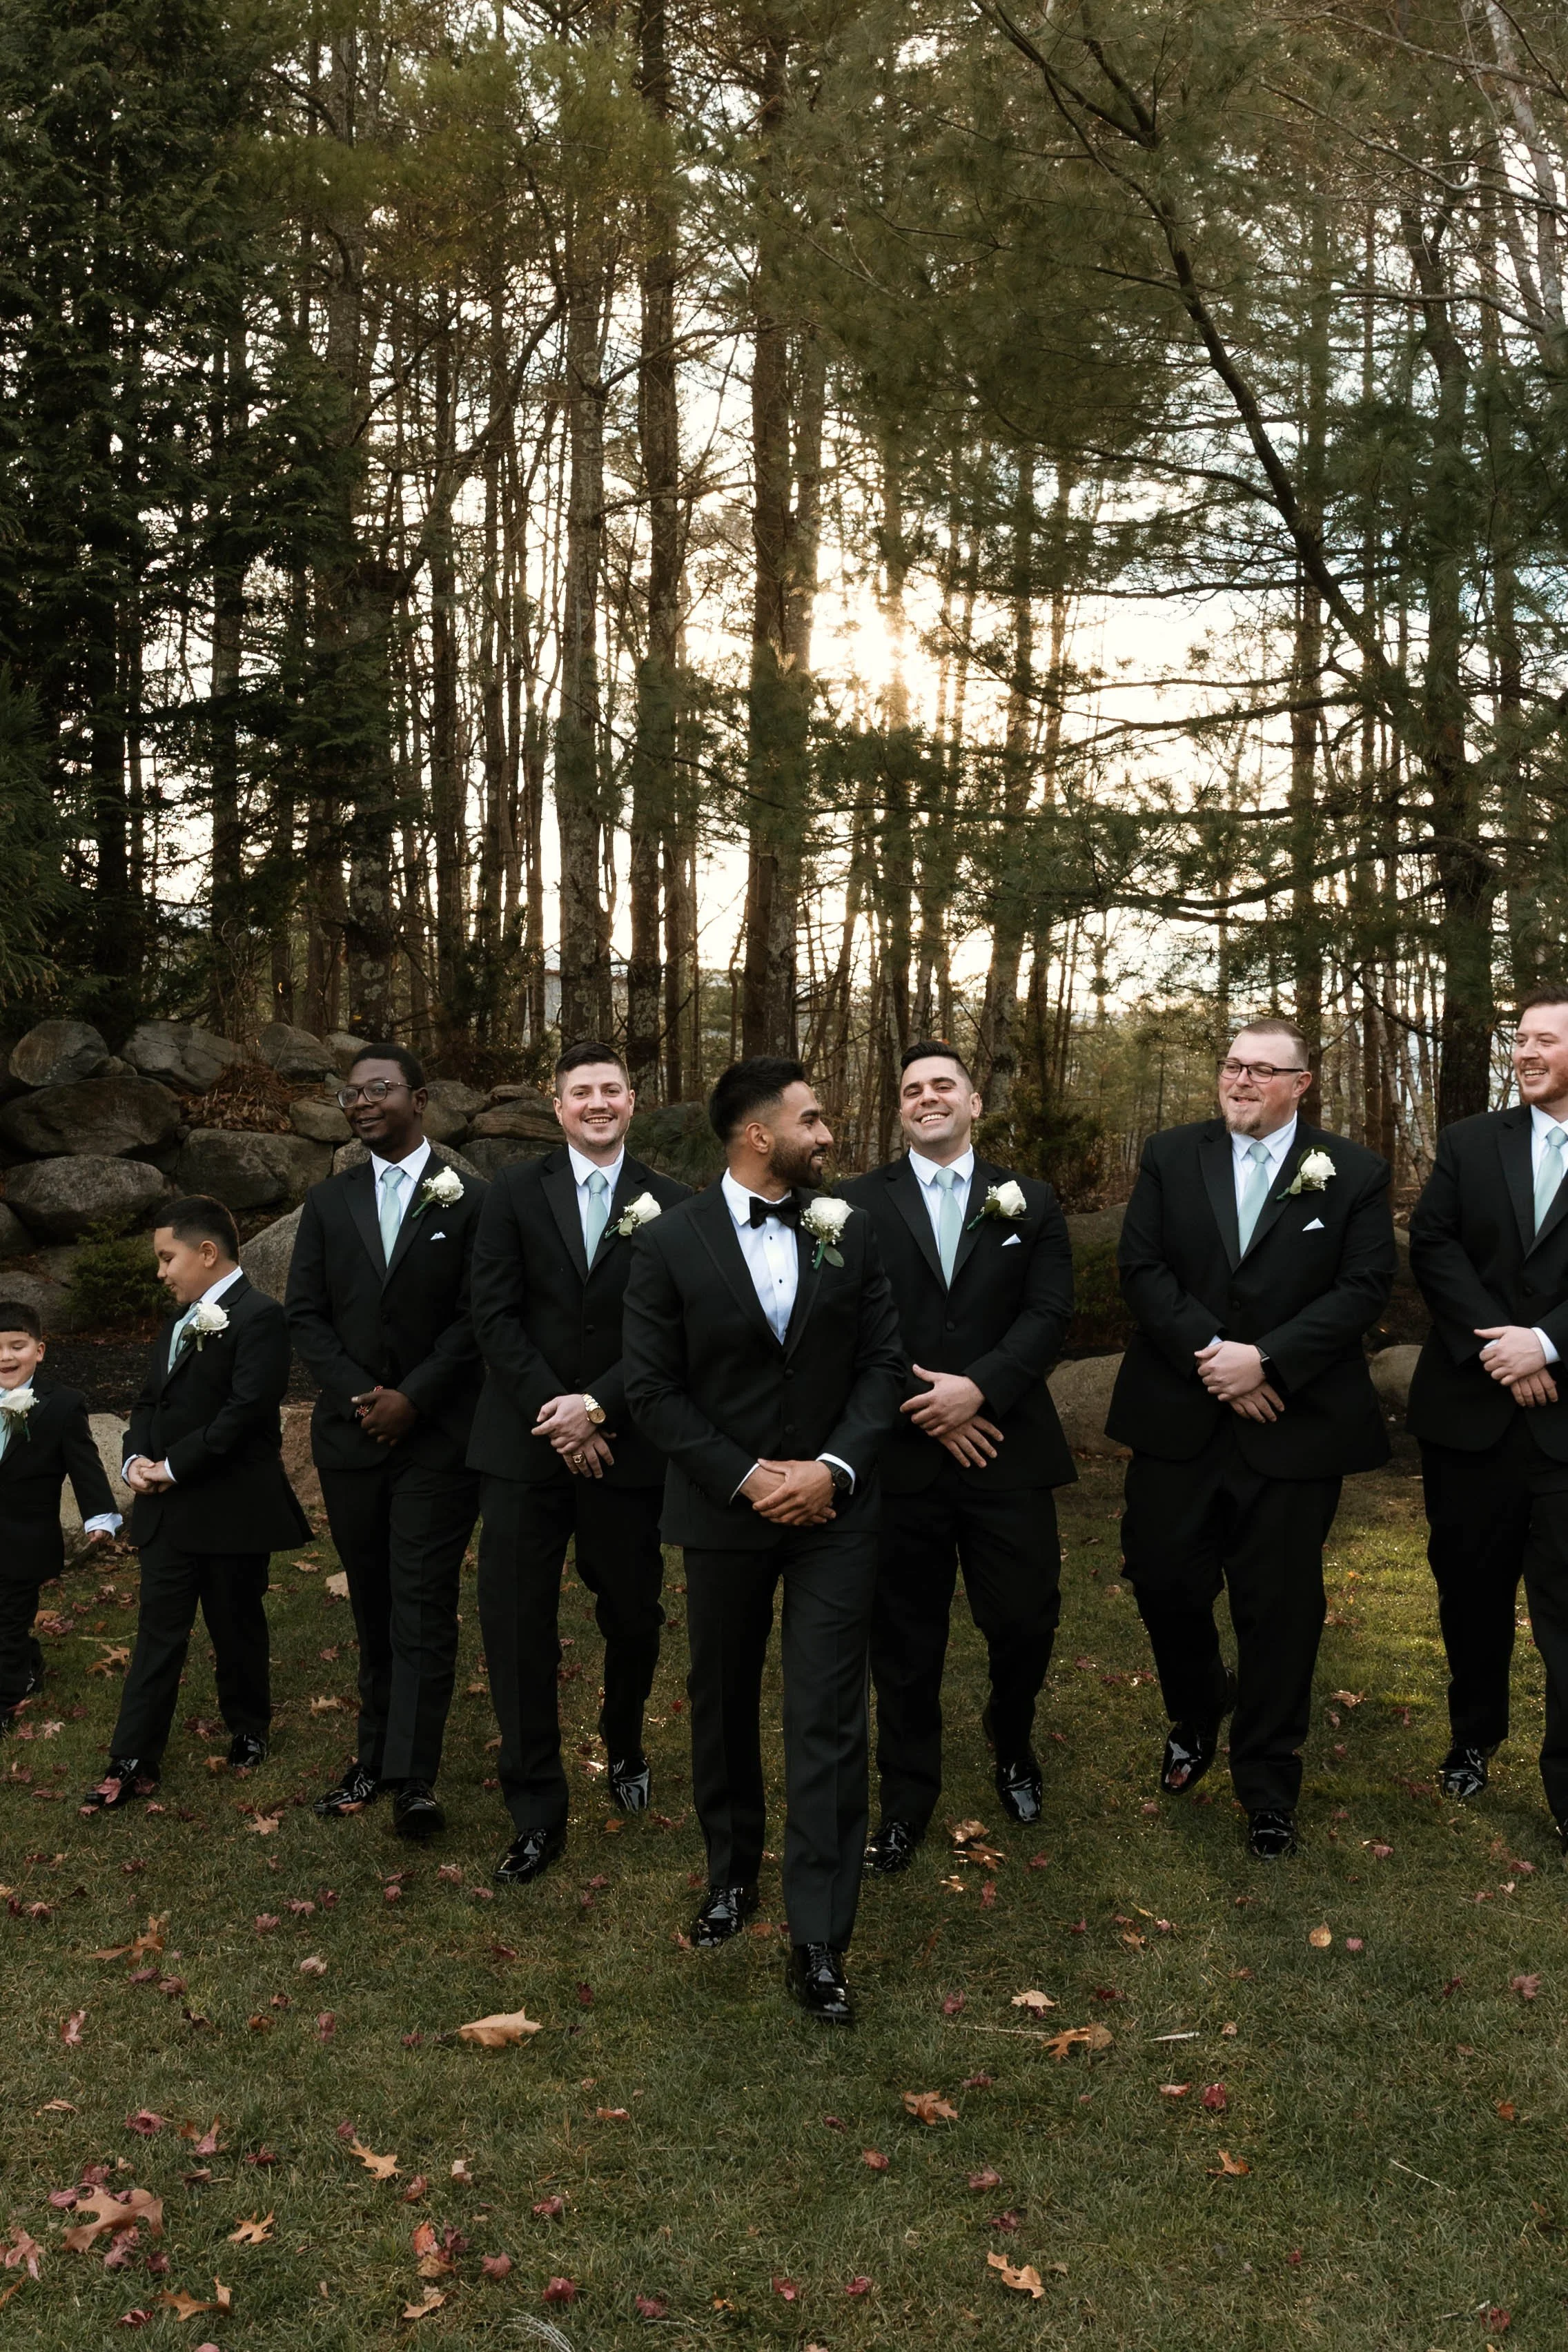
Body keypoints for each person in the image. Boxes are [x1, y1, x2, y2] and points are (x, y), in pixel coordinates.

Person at [623, 1056, 904, 2025]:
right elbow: (651, 1388)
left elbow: (883, 1366)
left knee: (828, 1713)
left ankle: (819, 1935)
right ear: (758, 1135)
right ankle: (730, 1874)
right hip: (722, 1509)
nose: (826, 1135)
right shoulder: (669, 1243)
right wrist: (748, 1477)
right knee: (722, 1697)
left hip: (836, 1514)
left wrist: (833, 1469)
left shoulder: (851, 1231)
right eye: (811, 1120)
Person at [1106, 1019, 1395, 1858]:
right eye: (1232, 1065)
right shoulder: (1170, 1155)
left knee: (1280, 1609)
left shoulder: (1353, 1172)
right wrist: (1216, 1357)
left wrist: (1266, 1360)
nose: (1239, 1080)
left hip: (1292, 1427)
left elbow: (1363, 1286)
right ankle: (1199, 1704)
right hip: (1179, 1414)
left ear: (1301, 1084)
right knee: (1162, 1578)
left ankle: (1267, 1782)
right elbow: (1142, 1268)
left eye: (1262, 1070)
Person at [840, 1040, 1075, 1874]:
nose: (927, 1097)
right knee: (904, 1640)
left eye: (944, 1085)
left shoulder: (1031, 1201)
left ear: (975, 1103)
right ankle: (906, 1796)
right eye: (912, 1089)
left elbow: (1049, 1314)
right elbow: (846, 1322)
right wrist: (930, 1407)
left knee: (1024, 1619)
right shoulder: (852, 1204)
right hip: (900, 1457)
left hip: (1005, 1449)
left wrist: (979, 1390)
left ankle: (1011, 1737)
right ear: (899, 1108)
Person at [468, 1041, 691, 1885]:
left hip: (626, 1450)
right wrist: (559, 1414)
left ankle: (624, 1740)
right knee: (516, 1624)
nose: (597, 1103)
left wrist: (598, 1407)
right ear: (557, 1107)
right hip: (523, 1445)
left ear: (632, 1101)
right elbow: (492, 1314)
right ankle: (534, 1806)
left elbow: (672, 1330)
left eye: (611, 1090)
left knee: (632, 1614)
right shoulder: (511, 1193)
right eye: (581, 1092)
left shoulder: (675, 1204)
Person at [286, 1043, 487, 1839]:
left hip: (437, 1441)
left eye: (379, 1089)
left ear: (420, 1098)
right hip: (353, 1437)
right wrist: (363, 1397)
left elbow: (478, 1316)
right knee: (373, 1603)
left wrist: (415, 1398)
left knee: (423, 1604)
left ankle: (413, 1776)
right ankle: (370, 1756)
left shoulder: (471, 1200)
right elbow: (306, 1314)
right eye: (351, 1093)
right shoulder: (328, 1203)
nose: (363, 1102)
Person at [82, 1195, 309, 1810]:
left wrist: (174, 1466)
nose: (161, 1272)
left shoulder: (261, 1316)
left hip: (231, 1506)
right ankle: (133, 1755)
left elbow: (247, 1410)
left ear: (207, 1252)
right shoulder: (177, 1323)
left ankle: (248, 1726)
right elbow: (148, 1401)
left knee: (236, 1623)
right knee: (158, 1632)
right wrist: (135, 1459)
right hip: (166, 1511)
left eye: (167, 1258)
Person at [1407, 989, 1568, 1831]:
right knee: (1469, 1595)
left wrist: (1546, 1343)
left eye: (1546, 1040)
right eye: (1520, 1038)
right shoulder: (1470, 1141)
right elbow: (1432, 1244)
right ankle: (1472, 1738)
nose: (1525, 1053)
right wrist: (1497, 1349)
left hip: (1565, 1422)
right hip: (1469, 1417)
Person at [0, 1299, 121, 1731]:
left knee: (8, 1621)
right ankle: (30, 1659)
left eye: (17, 1346)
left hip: (24, 1537)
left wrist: (100, 1515)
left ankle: (5, 1700)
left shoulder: (63, 1404)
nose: (5, 1357)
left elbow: (84, 1465)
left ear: (39, 1350)